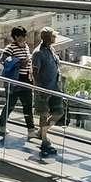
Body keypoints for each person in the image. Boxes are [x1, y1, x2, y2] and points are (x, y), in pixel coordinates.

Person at [0, 26, 34, 142]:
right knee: (10, 104)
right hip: (14, 79)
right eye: (22, 36)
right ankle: (2, 126)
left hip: (26, 79)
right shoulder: (10, 48)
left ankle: (31, 130)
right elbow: (3, 60)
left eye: (25, 35)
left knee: (28, 104)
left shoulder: (26, 47)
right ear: (16, 36)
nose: (24, 38)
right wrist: (18, 63)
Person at [32, 27, 62, 160]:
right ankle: (44, 138)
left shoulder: (51, 49)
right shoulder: (38, 53)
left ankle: (42, 131)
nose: (55, 38)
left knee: (59, 111)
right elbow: (34, 72)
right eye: (53, 36)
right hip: (44, 88)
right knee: (43, 114)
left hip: (55, 87)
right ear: (47, 38)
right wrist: (39, 89)